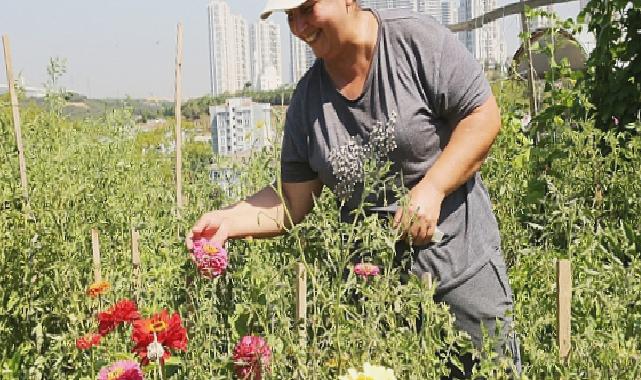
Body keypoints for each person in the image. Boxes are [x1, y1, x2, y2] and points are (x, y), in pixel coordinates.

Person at [187, 0, 521, 377]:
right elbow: (291, 201)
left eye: (307, 8)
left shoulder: (414, 42)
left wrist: (433, 187)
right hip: (378, 304)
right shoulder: (307, 102)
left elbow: (483, 116)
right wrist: (228, 221)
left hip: (462, 277)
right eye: (289, 16)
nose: (299, 26)